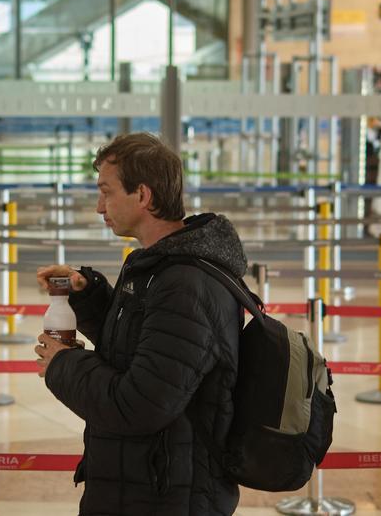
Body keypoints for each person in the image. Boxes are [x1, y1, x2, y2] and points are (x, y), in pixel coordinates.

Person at [34, 132, 246, 515]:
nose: (100, 206)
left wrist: (62, 364)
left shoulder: (185, 284)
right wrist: (86, 293)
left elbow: (140, 404)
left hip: (165, 495)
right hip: (144, 481)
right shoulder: (157, 266)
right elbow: (141, 349)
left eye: (107, 192)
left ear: (143, 196)